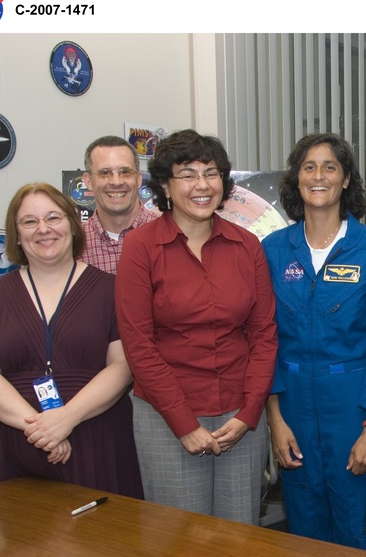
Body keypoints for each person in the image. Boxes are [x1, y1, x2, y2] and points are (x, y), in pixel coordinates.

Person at [115, 129, 277, 523]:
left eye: (210, 173)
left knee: (239, 538)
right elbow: (139, 345)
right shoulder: (140, 248)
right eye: (187, 174)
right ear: (166, 186)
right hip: (167, 417)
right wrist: (184, 424)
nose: (201, 185)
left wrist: (249, 413)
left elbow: (264, 335)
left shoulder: (247, 246)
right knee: (178, 544)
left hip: (240, 418)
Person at [262, 133, 366, 551]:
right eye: (309, 166)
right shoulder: (273, 250)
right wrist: (275, 420)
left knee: (358, 535)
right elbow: (264, 337)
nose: (319, 176)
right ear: (297, 179)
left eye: (330, 167)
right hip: (292, 412)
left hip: (354, 412)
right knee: (305, 538)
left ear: (346, 180)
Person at [0, 183, 143, 498]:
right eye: (29, 222)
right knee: (21, 542)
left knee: (106, 541)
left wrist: (67, 418)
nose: (43, 229)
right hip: (16, 440)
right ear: (16, 234)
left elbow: (123, 366)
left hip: (96, 436)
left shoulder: (112, 291)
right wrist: (42, 429)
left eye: (53, 218)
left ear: (73, 227)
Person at [79, 135, 159, 274]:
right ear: (88, 181)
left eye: (125, 172)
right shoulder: (74, 243)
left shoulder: (167, 236)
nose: (116, 182)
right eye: (105, 173)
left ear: (139, 179)